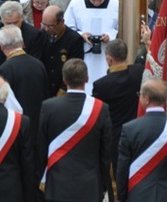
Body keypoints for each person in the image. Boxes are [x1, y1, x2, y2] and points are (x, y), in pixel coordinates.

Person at [38, 58, 113, 202]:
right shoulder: (101, 109)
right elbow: (106, 152)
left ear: (64, 80)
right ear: (87, 78)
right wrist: (103, 184)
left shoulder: (48, 107)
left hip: (57, 184)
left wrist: (39, 182)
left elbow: (41, 149)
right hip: (90, 185)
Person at [116, 79, 167, 202]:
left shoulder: (129, 129)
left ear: (147, 99)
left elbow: (122, 169)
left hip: (139, 193)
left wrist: (121, 197)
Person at [92, 39, 145, 200]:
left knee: (115, 181)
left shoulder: (101, 85)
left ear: (109, 58)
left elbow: (98, 115)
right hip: (138, 135)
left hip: (115, 139)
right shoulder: (139, 73)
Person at [64, 0, 120, 92]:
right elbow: (67, 28)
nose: (96, 3)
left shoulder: (116, 5)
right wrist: (81, 35)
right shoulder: (75, 4)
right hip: (84, 53)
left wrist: (110, 35)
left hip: (106, 54)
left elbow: (121, 28)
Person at [0, 24, 50, 141]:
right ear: (22, 42)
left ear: (1, 45)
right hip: (39, 127)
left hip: (16, 129)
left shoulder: (4, 70)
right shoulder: (39, 64)